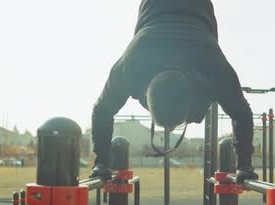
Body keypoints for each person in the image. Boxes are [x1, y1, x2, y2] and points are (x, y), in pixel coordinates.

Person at [90, 0, 258, 183]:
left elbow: (102, 110)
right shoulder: (213, 67)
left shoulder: (133, 65)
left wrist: (102, 163)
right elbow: (241, 114)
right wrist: (244, 166)